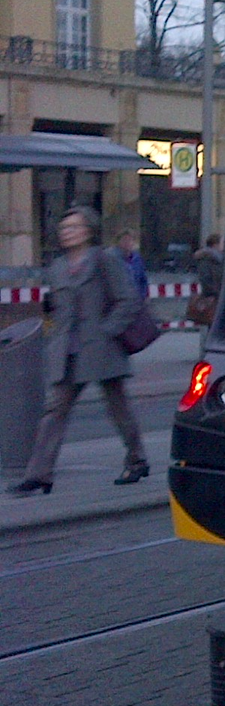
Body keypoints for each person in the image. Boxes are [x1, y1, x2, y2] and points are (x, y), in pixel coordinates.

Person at [9, 207, 149, 496]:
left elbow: (129, 299)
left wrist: (108, 330)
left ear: (88, 231)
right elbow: (57, 310)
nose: (66, 232)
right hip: (67, 352)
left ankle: (137, 459)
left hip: (102, 350)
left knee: (118, 408)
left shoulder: (105, 259)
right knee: (54, 412)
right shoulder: (58, 267)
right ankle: (39, 474)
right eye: (63, 228)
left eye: (73, 227)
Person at [188, 232, 223, 327]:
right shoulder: (206, 259)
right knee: (213, 324)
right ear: (215, 244)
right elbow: (205, 279)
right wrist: (215, 292)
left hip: (219, 297)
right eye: (222, 242)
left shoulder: (220, 259)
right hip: (214, 297)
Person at [114, 229, 147, 297]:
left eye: (130, 240)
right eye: (124, 240)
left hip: (135, 300)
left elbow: (142, 280)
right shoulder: (112, 259)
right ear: (118, 242)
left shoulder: (137, 259)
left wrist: (143, 296)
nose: (127, 243)